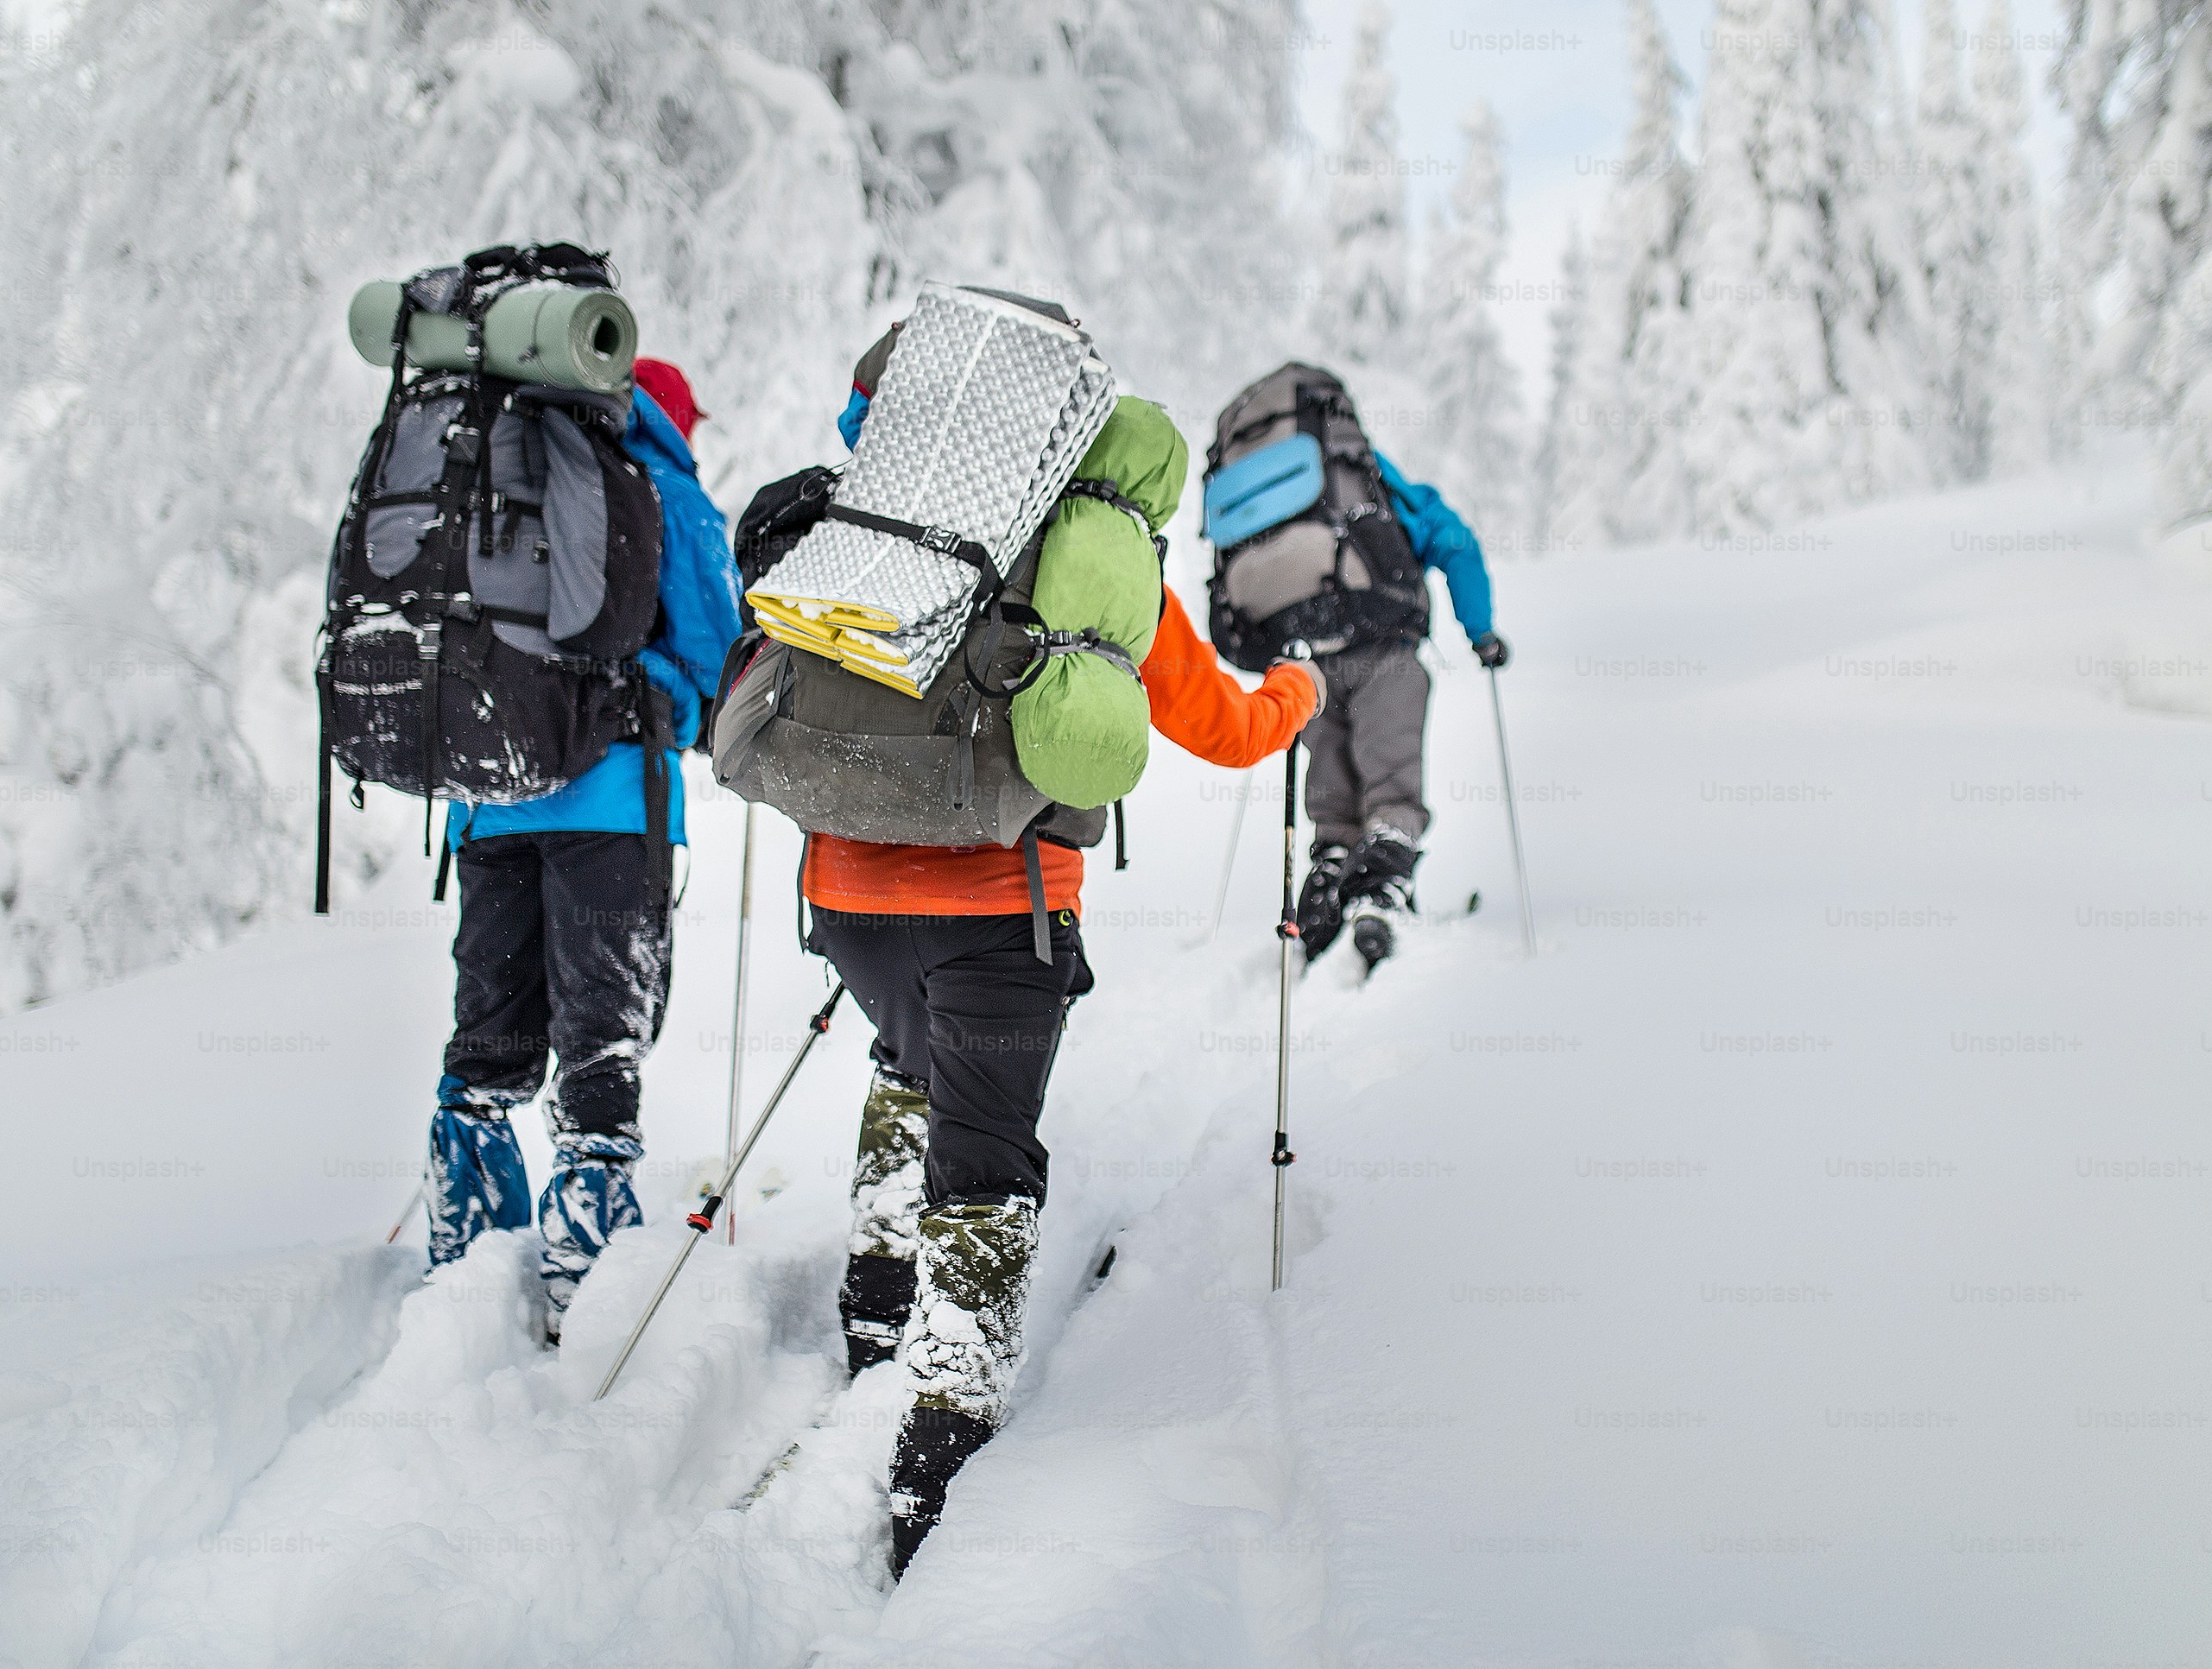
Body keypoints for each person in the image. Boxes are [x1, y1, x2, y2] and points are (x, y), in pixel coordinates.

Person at [808, 335, 1323, 1577]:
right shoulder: (1096, 563)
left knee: (901, 1058)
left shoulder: (872, 522)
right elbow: (1231, 728)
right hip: (1002, 903)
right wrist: (1298, 691)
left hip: (846, 892)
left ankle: (876, 1304)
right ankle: (943, 1433)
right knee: (987, 1160)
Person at [421, 357, 741, 1337]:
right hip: (609, 801)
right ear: (666, 415)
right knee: (601, 1030)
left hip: (488, 798)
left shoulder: (490, 479)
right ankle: (586, 1274)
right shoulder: (661, 488)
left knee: (490, 1028)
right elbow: (716, 654)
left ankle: (463, 1246)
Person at [1294, 451, 1505, 970]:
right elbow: (1454, 542)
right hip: (1387, 650)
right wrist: (1481, 631)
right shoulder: (1379, 481)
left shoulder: (1293, 497)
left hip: (1313, 664)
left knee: (1332, 792)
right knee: (1391, 784)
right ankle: (1378, 895)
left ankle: (1328, 881)